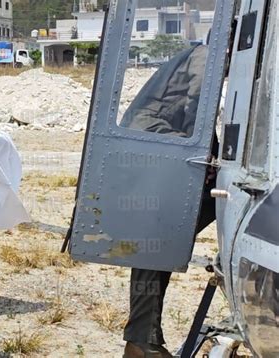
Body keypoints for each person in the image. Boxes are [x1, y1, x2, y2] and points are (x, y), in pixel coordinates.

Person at [120, 44, 217, 358]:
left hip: (160, 136)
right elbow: (198, 103)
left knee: (158, 240)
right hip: (157, 136)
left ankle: (141, 340)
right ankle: (140, 341)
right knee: (158, 238)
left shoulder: (205, 54)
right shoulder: (207, 54)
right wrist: (205, 153)